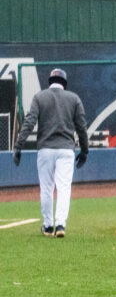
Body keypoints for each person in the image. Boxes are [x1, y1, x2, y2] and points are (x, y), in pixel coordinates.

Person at [12, 68, 89, 237]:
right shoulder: (74, 99)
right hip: (66, 149)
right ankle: (60, 225)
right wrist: (84, 151)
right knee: (63, 187)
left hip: (45, 149)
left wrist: (18, 146)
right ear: (65, 83)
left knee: (46, 188)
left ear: (49, 81)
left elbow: (29, 122)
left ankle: (47, 226)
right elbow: (81, 128)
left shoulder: (40, 97)